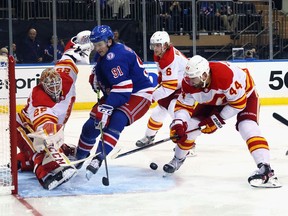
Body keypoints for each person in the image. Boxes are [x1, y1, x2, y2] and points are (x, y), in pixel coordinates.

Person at [165, 55, 281, 188]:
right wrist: (179, 122)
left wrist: (216, 120)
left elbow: (238, 104)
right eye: (189, 78)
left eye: (194, 78)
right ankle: (177, 159)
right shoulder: (189, 82)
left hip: (245, 96)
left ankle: (265, 168)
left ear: (204, 75)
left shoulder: (225, 76)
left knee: (247, 126)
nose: (190, 82)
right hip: (214, 99)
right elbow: (184, 106)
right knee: (190, 127)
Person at [16, 30, 94, 190]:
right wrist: (54, 150)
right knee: (40, 151)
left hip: (38, 128)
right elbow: (44, 133)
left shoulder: (65, 78)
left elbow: (69, 55)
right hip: (23, 130)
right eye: (49, 86)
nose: (55, 88)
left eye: (56, 84)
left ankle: (21, 161)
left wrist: (78, 42)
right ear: (42, 86)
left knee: (47, 149)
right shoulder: (40, 103)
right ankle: (46, 175)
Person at [74, 25, 154, 180]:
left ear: (109, 41)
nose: (97, 48)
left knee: (117, 119)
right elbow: (110, 81)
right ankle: (79, 158)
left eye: (100, 44)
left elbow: (124, 90)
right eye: (95, 45)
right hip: (118, 92)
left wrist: (107, 108)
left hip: (138, 94)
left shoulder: (116, 57)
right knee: (91, 125)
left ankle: (98, 158)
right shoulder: (105, 54)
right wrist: (97, 79)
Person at [135, 31, 188, 148]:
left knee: (176, 113)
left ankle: (187, 144)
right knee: (158, 113)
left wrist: (151, 97)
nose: (155, 48)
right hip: (174, 86)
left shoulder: (171, 59)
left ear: (165, 45)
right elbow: (166, 80)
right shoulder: (161, 54)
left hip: (184, 88)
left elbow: (169, 87)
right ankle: (149, 137)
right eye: (153, 45)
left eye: (157, 45)